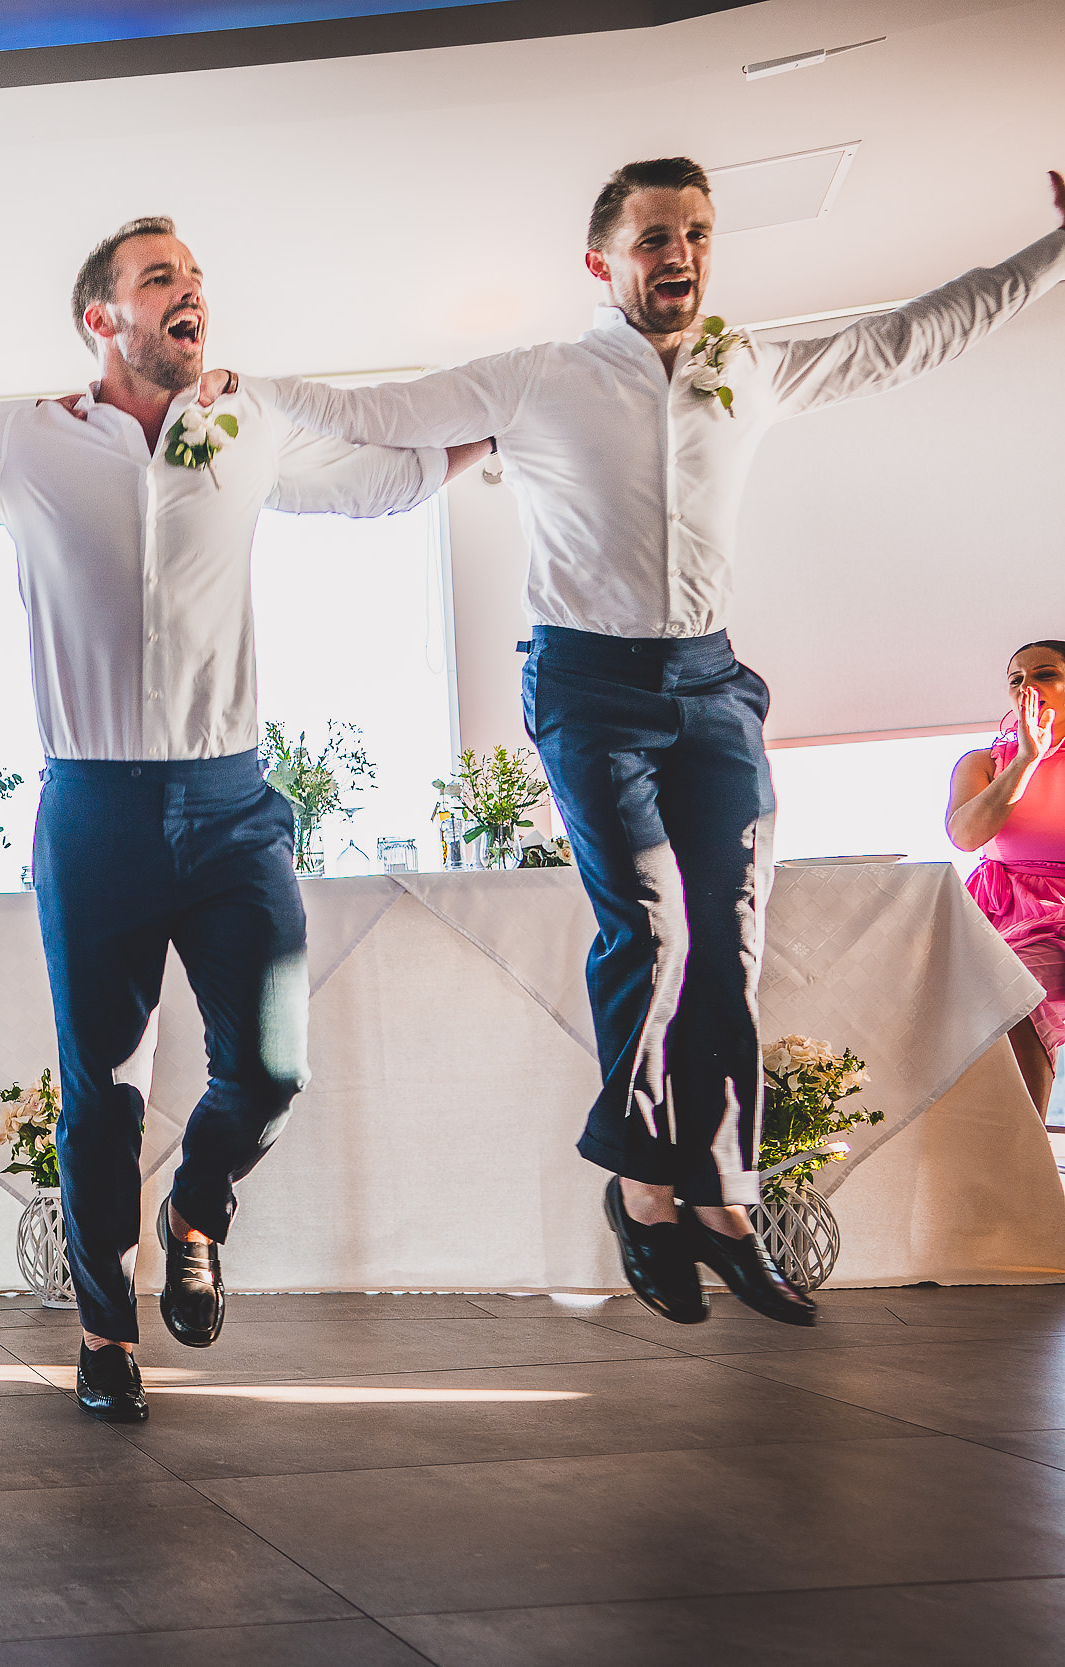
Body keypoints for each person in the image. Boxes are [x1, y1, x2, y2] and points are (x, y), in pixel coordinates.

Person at [249, 157, 1065, 1330]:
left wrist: (1052, 251)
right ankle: (642, 1188)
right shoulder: (537, 379)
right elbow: (374, 413)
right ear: (603, 262)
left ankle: (721, 1198)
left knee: (731, 932)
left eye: (692, 233)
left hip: (711, 683)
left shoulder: (748, 368)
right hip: (587, 680)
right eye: (650, 237)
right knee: (652, 922)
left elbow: (911, 337)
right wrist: (238, 391)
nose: (675, 252)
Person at [0, 216, 487, 1421]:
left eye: (195, 277)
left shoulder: (244, 427)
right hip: (91, 810)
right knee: (101, 1096)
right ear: (104, 318)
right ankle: (101, 1331)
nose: (192, 293)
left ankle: (194, 1211)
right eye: (161, 279)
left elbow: (384, 485)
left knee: (272, 1067)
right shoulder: (23, 439)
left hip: (234, 805)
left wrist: (512, 420)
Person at [948, 641, 1065, 1119]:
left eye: (1044, 675)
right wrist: (1026, 761)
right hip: (1006, 913)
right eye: (1017, 679)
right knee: (1012, 989)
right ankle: (1024, 1147)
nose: (1027, 687)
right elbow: (966, 835)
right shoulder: (983, 763)